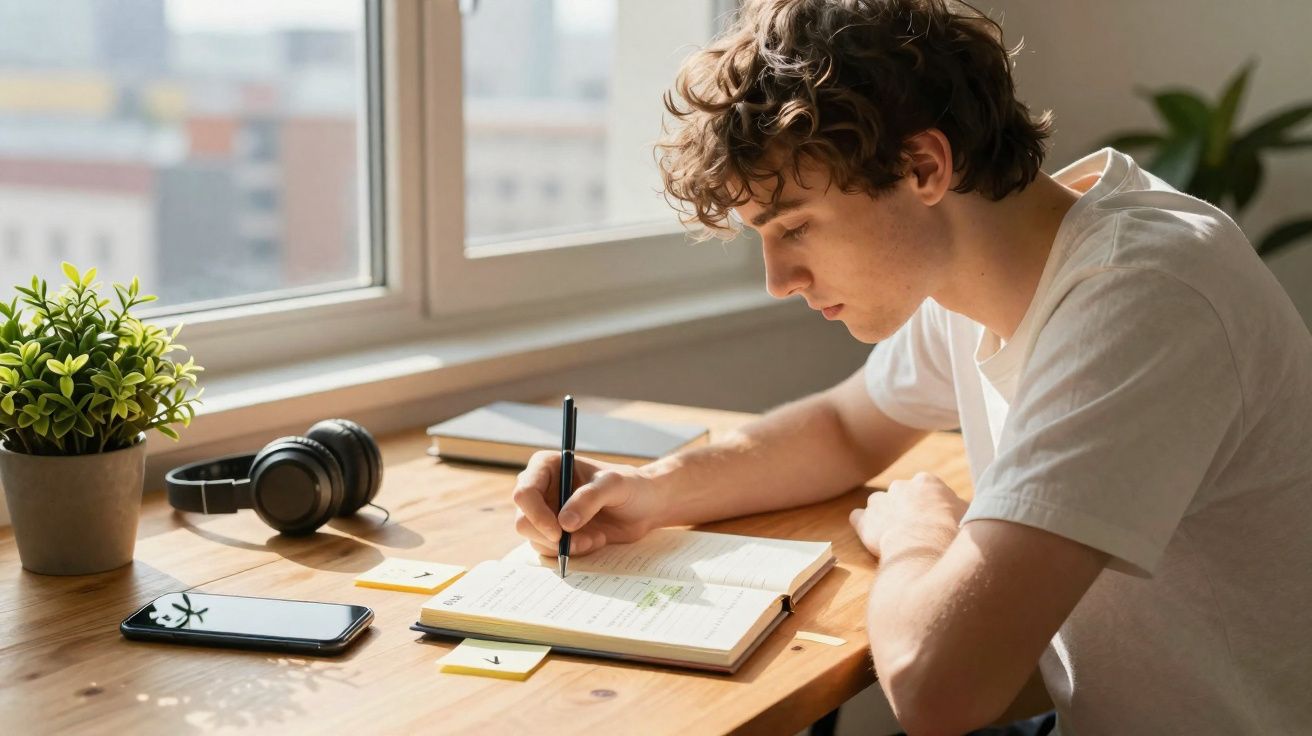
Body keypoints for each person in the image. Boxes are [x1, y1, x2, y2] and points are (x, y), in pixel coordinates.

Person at [510, 1, 1312, 733]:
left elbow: (938, 687)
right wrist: (649, 490)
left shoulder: (1144, 294)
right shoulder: (980, 276)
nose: (778, 280)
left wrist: (919, 536)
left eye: (795, 227)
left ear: (924, 167)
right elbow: (843, 429)